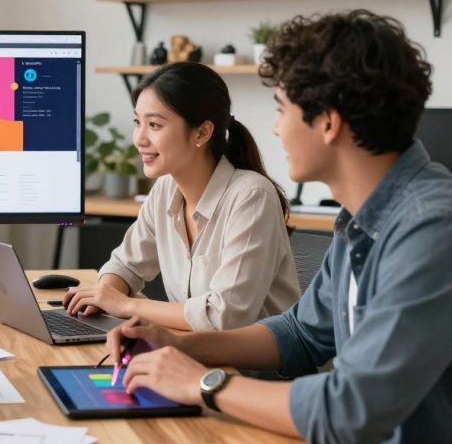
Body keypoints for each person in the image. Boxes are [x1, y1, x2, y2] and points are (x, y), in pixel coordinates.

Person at [107, 10, 452, 444]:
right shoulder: (362, 217)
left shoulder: (435, 228)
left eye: (282, 109)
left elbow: (351, 410)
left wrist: (201, 382)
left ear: (327, 122)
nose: (276, 129)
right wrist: (178, 345)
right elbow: (299, 335)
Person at [65, 61, 300, 332]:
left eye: (154, 125)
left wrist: (125, 305)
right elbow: (125, 266)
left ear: (202, 132)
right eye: (137, 122)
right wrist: (102, 297)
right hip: (193, 356)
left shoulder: (251, 196)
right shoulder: (165, 190)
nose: (139, 139)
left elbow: (224, 317)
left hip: (256, 370)